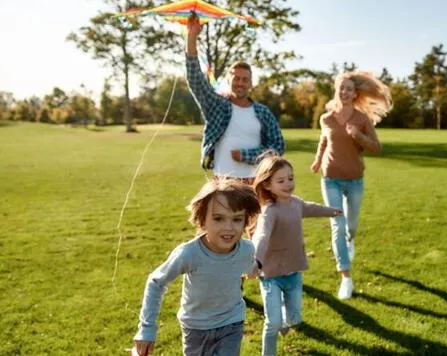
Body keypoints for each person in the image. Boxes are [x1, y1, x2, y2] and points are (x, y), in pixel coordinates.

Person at [131, 178, 261, 356]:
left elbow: (248, 265)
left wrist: (254, 269)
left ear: (246, 221)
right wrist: (146, 329)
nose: (228, 227)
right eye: (218, 219)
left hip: (231, 323)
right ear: (202, 220)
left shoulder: (247, 249)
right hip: (196, 328)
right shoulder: (188, 254)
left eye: (237, 219)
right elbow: (156, 282)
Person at [310, 71, 392, 300]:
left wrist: (358, 136)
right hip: (330, 179)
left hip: (355, 180)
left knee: (350, 227)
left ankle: (351, 240)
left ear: (355, 94)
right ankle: (346, 278)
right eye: (341, 88)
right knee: (337, 225)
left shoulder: (361, 119)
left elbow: (376, 147)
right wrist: (317, 161)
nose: (344, 92)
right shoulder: (326, 118)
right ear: (336, 91)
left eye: (349, 89)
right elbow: (324, 140)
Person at [248, 154, 342, 356]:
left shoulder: (296, 203)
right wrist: (255, 261)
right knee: (272, 324)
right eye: (281, 180)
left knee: (295, 319)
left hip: (293, 273)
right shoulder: (269, 211)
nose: (288, 184)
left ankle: (284, 319)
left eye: (290, 178)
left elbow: (311, 208)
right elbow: (261, 236)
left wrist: (332, 211)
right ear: (267, 185)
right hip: (271, 275)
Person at [185, 14, 285, 183]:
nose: (240, 83)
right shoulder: (217, 105)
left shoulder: (262, 112)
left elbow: (278, 147)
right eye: (236, 78)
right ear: (228, 81)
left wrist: (247, 155)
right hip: (223, 182)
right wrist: (191, 36)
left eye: (245, 79)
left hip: (256, 182)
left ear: (251, 84)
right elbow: (195, 78)